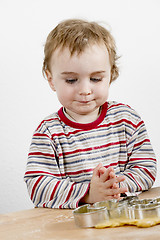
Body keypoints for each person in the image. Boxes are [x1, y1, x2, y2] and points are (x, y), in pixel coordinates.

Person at [24, 19, 157, 209]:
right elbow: (38, 186)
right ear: (51, 79)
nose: (85, 90)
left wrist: (112, 188)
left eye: (95, 78)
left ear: (111, 74)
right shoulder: (48, 132)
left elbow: (146, 167)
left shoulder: (126, 119)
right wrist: (89, 193)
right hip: (74, 229)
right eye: (71, 80)